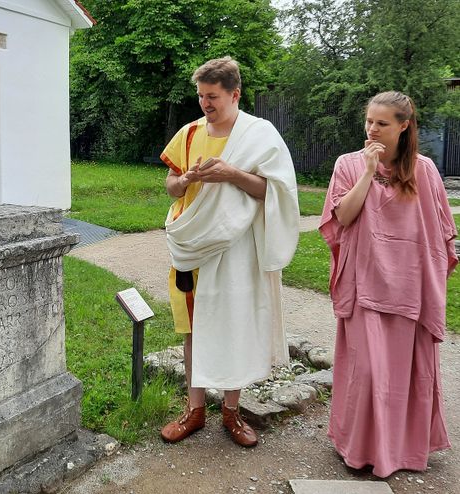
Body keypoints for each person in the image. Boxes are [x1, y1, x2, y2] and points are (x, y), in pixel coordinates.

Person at [160, 57, 300, 446]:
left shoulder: (260, 135)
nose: (206, 104)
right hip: (192, 245)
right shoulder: (188, 134)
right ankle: (194, 411)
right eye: (202, 96)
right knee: (192, 327)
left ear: (235, 94)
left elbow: (276, 193)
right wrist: (184, 179)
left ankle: (232, 414)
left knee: (235, 324)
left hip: (237, 247)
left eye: (214, 97)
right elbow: (171, 185)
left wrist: (232, 175)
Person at [320, 91, 456, 477]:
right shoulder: (348, 164)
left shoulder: (425, 170)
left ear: (403, 125)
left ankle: (405, 451)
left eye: (382, 123)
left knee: (408, 373)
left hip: (412, 288)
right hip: (365, 285)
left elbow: (439, 232)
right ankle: (361, 449)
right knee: (368, 372)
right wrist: (367, 170)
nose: (372, 129)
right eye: (369, 121)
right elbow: (343, 218)